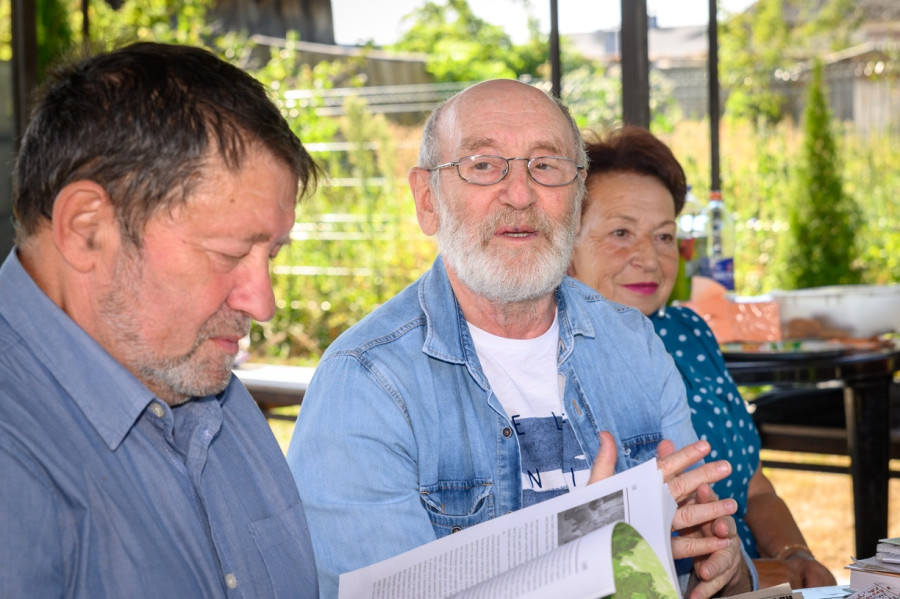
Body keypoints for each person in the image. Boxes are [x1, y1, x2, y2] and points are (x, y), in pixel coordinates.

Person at [287, 79, 754, 599]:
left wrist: (727, 568)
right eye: (483, 165)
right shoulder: (366, 384)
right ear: (427, 200)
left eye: (546, 166)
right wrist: (583, 562)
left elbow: (707, 553)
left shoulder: (633, 342)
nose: (519, 193)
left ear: (576, 201)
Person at [0, 42, 321, 597]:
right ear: (86, 229)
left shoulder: (204, 383)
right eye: (227, 252)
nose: (261, 304)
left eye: (269, 256)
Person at [567, 125, 837, 590]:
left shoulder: (690, 334)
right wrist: (758, 575)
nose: (649, 258)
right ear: (565, 244)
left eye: (664, 236)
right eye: (620, 232)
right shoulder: (563, 359)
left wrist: (797, 557)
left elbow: (753, 484)